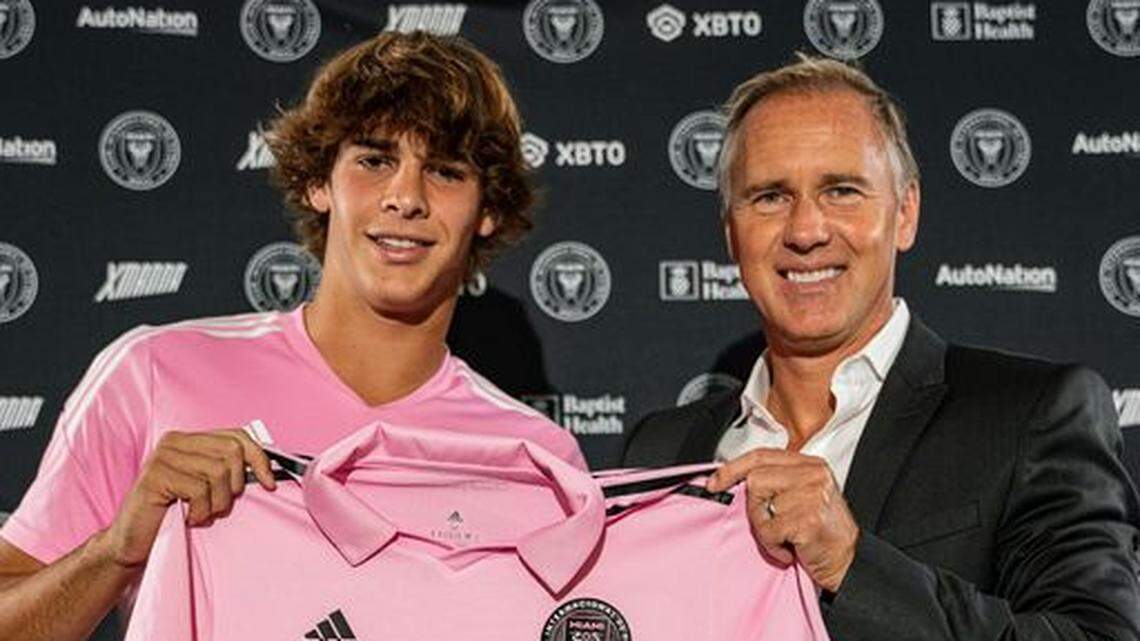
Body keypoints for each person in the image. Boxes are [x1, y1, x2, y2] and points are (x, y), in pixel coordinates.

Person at [0, 31, 584, 641]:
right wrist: (116, 552)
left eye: (443, 170)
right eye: (375, 160)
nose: (406, 197)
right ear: (317, 182)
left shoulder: (535, 460)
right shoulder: (153, 373)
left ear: (487, 209)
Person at [623, 55, 1140, 640]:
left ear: (905, 213)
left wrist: (851, 565)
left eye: (841, 190)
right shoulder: (661, 447)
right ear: (731, 234)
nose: (805, 230)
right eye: (769, 196)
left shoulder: (1031, 415)